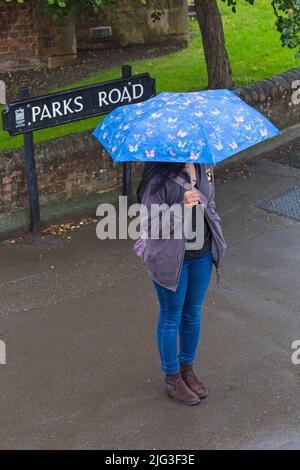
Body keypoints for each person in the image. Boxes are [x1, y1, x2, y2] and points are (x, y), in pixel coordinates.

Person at [136, 162, 227, 406]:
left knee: (192, 313)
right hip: (171, 259)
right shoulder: (157, 178)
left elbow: (211, 204)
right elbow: (151, 226)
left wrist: (216, 231)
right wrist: (181, 207)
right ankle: (172, 377)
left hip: (202, 254)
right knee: (170, 317)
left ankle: (188, 369)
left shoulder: (204, 167)